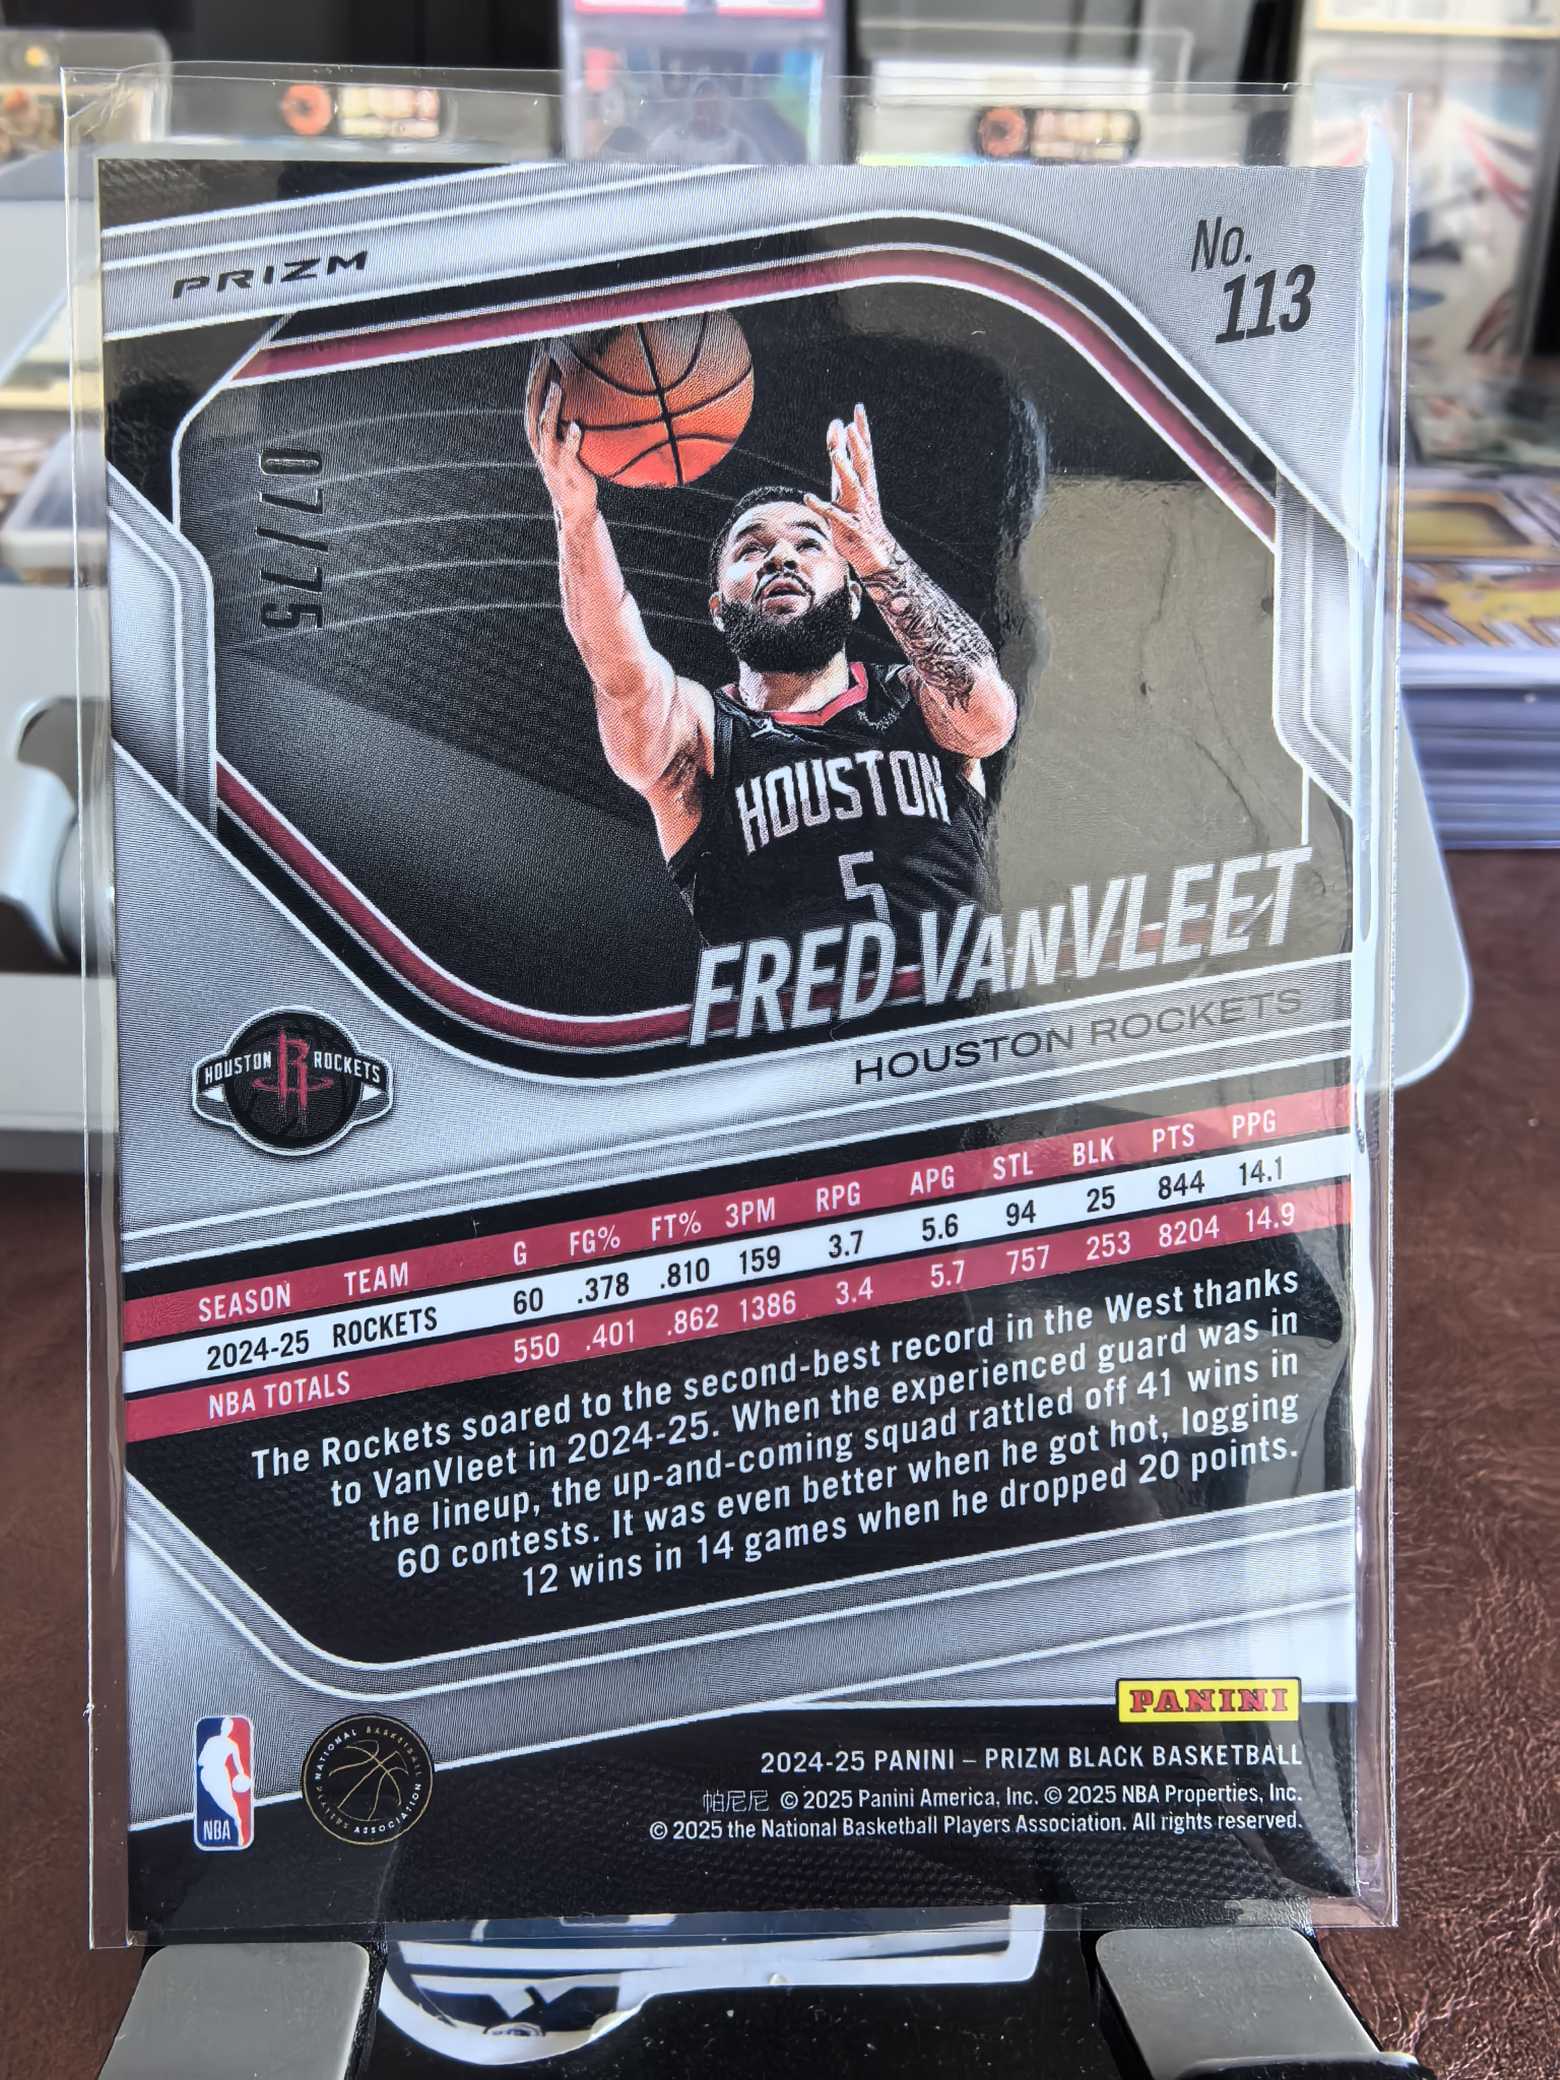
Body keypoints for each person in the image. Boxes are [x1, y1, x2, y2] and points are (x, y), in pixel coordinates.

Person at [525, 363, 1018, 954]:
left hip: (951, 1010)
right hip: (792, 1014)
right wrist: (577, 516)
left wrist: (877, 550)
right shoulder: (700, 739)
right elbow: (619, 670)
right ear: (717, 608)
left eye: (809, 543)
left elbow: (990, 716)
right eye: (751, 549)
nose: (781, 557)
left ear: (854, 593)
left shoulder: (915, 697)